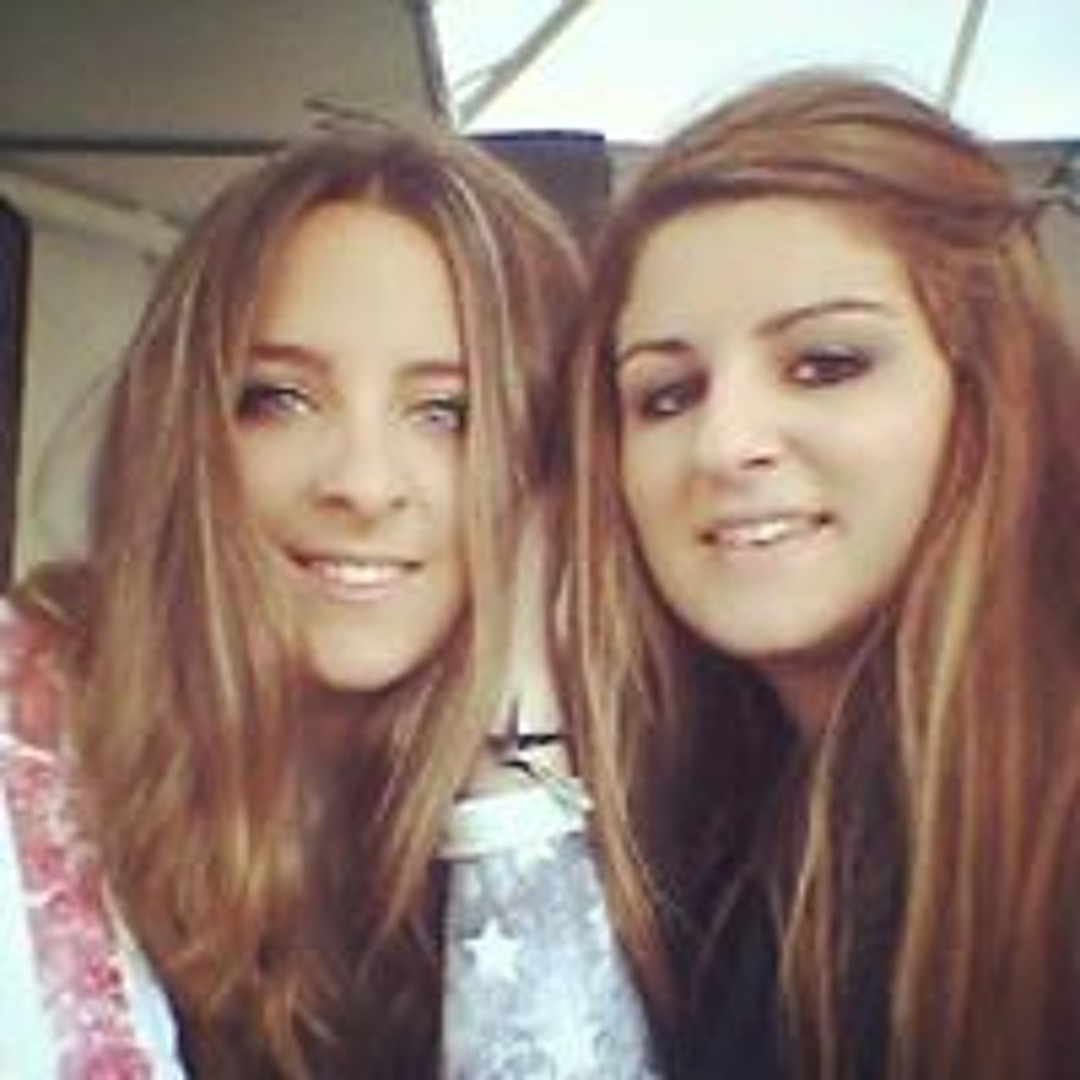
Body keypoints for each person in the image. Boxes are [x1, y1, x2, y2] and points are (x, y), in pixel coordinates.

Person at [0, 122, 660, 1078]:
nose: (361, 483)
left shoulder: (666, 806)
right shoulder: (27, 746)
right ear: (182, 434)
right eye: (280, 398)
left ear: (550, 469)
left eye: (449, 413)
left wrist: (516, 755)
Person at [565, 70, 1080, 1080]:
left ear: (990, 393)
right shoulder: (701, 840)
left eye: (827, 363)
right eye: (667, 395)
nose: (725, 444)